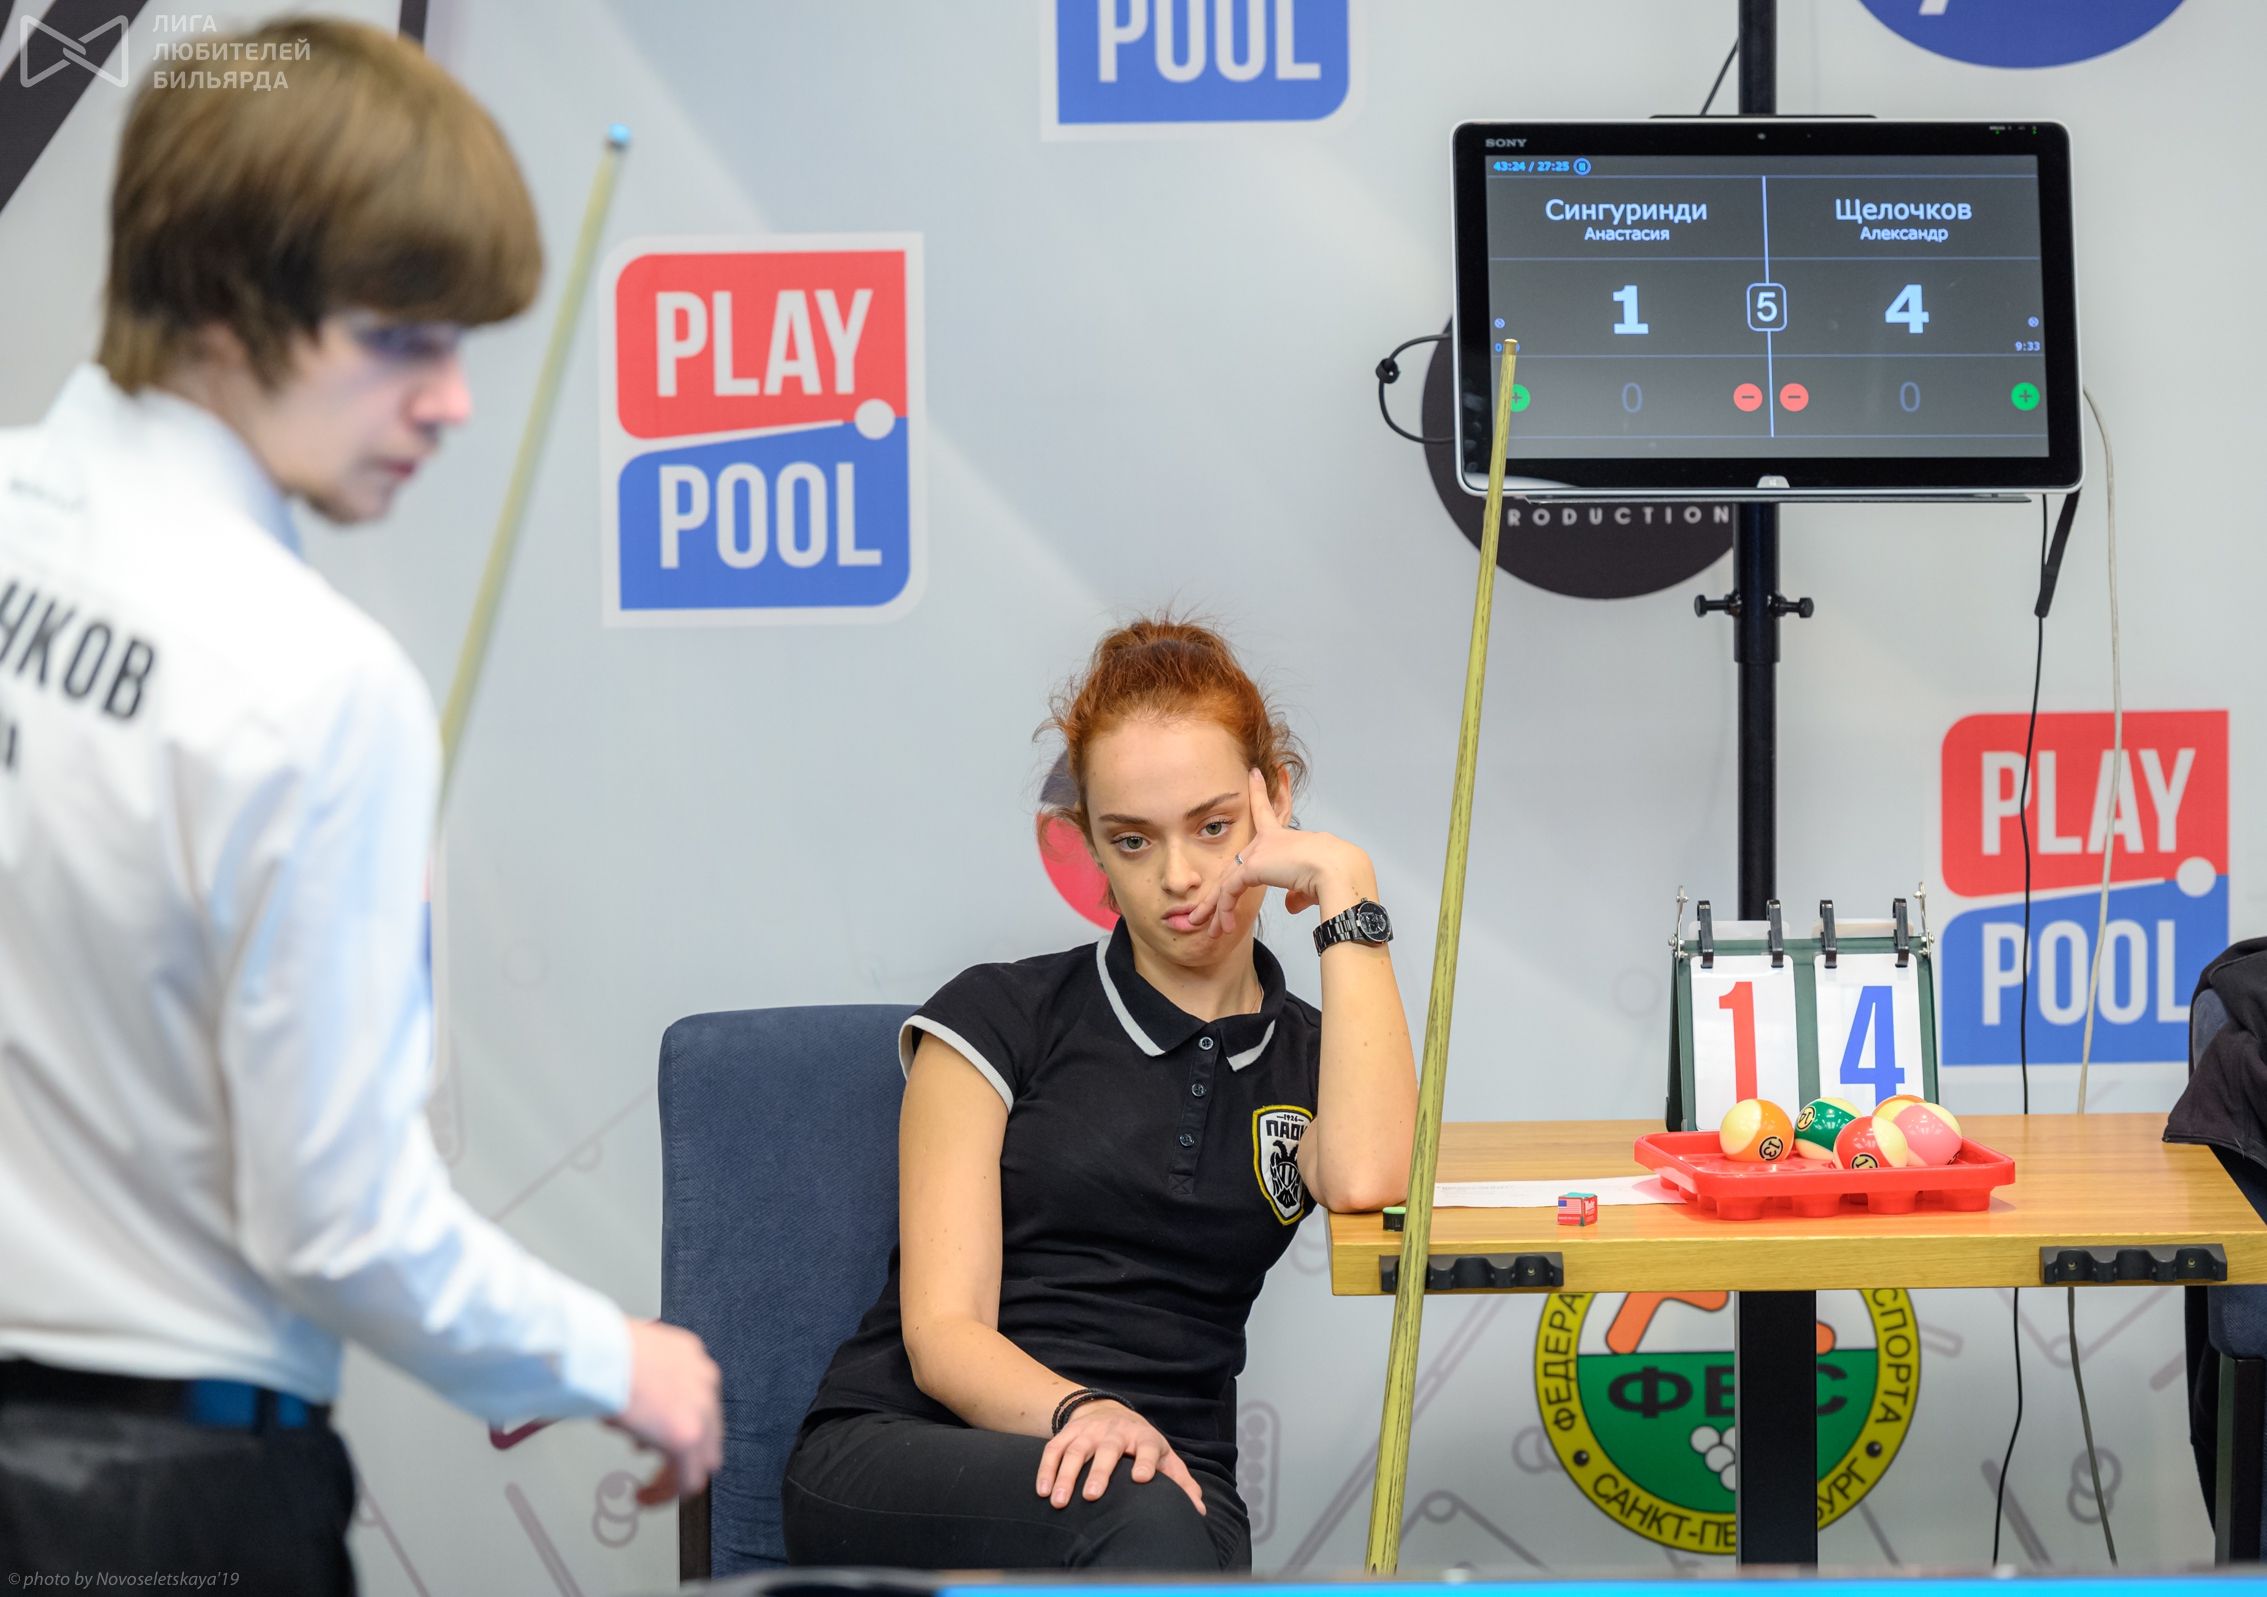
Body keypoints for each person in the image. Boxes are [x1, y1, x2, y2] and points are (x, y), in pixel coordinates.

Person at [0, 20, 719, 1589]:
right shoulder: (315, 684)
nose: (452, 401)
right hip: (162, 1509)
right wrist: (619, 1359)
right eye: (401, 338)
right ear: (225, 300)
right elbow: (340, 1223)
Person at [783, 617, 1417, 1571]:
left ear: (1275, 800)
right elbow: (943, 1335)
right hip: (913, 1447)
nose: (1180, 876)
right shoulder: (997, 1013)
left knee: (1162, 1531)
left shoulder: (1315, 1057)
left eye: (1215, 826)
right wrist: (1087, 1411)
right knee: (1136, 1522)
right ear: (1092, 847)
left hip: (1174, 1475)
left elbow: (1370, 1174)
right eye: (1132, 840)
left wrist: (1346, 881)